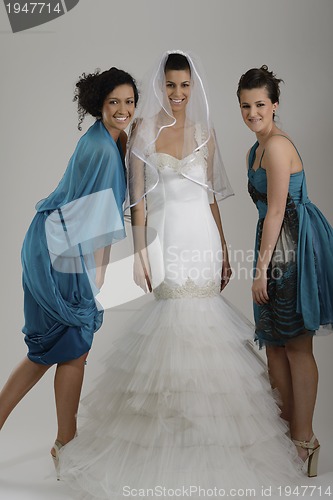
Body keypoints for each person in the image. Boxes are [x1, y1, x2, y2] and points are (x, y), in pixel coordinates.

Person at [59, 51, 301, 498]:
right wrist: (139, 254)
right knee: (174, 328)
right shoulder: (143, 131)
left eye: (185, 85)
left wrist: (225, 248)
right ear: (160, 86)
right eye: (170, 85)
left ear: (194, 87)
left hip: (203, 238)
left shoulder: (205, 134)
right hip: (167, 239)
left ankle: (214, 443)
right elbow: (138, 201)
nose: (177, 94)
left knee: (208, 325)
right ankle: (167, 448)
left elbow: (210, 198)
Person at [0, 67, 138, 478]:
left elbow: (96, 216)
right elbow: (96, 221)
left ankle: (66, 443)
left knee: (57, 349)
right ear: (98, 104)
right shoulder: (99, 149)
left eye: (129, 101)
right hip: (60, 249)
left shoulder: (112, 138)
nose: (123, 109)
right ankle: (67, 445)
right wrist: (95, 280)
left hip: (59, 242)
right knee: (65, 347)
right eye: (114, 102)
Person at [237, 65, 333, 477]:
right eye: (245, 106)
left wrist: (260, 272)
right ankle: (285, 438)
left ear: (274, 105)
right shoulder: (253, 150)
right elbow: (267, 215)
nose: (253, 112)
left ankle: (303, 440)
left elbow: (277, 211)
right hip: (274, 241)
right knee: (273, 341)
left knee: (295, 342)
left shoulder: (276, 147)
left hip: (293, 245)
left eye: (260, 104)